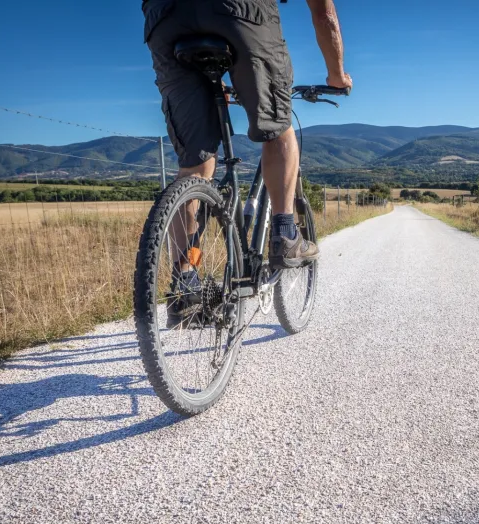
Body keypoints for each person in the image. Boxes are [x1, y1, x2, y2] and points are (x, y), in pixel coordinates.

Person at [142, 0, 352, 309]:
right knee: (278, 128)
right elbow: (324, 14)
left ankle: (186, 283)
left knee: (194, 166)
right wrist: (337, 75)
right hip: (241, 10)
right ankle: (285, 234)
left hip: (165, 16)